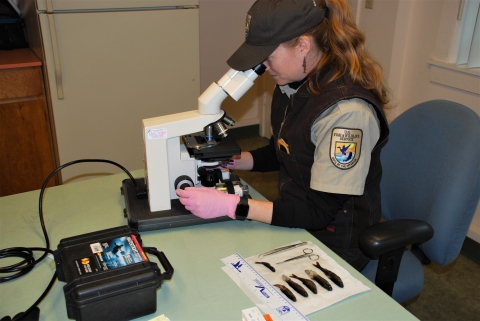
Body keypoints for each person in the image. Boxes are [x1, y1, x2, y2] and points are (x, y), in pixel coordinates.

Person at [176, 0, 391, 271]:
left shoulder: (347, 115)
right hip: (298, 217)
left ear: (303, 45)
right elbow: (286, 150)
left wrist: (233, 206)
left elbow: (320, 213)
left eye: (268, 56)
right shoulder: (293, 84)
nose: (263, 66)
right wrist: (234, 160)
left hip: (335, 240)